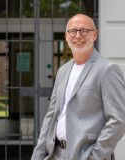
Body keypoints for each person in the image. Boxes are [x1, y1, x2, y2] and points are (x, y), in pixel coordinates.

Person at [31, 14, 125, 160]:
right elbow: (51, 117)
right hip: (55, 154)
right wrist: (38, 155)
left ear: (94, 35)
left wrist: (94, 156)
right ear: (66, 36)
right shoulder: (63, 71)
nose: (78, 36)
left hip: (86, 155)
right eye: (73, 31)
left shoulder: (108, 69)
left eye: (84, 31)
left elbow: (118, 120)